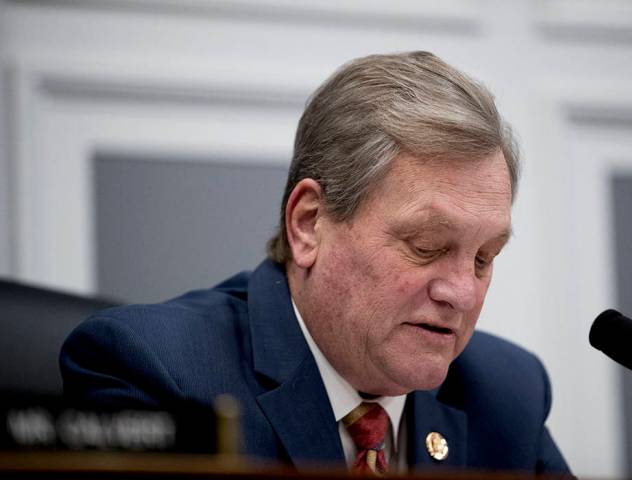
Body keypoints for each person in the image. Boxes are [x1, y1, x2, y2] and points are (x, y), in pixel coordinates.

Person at [61, 51, 571, 475]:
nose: (461, 293)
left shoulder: (508, 394)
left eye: (484, 258)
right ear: (308, 224)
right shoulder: (158, 374)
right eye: (426, 246)